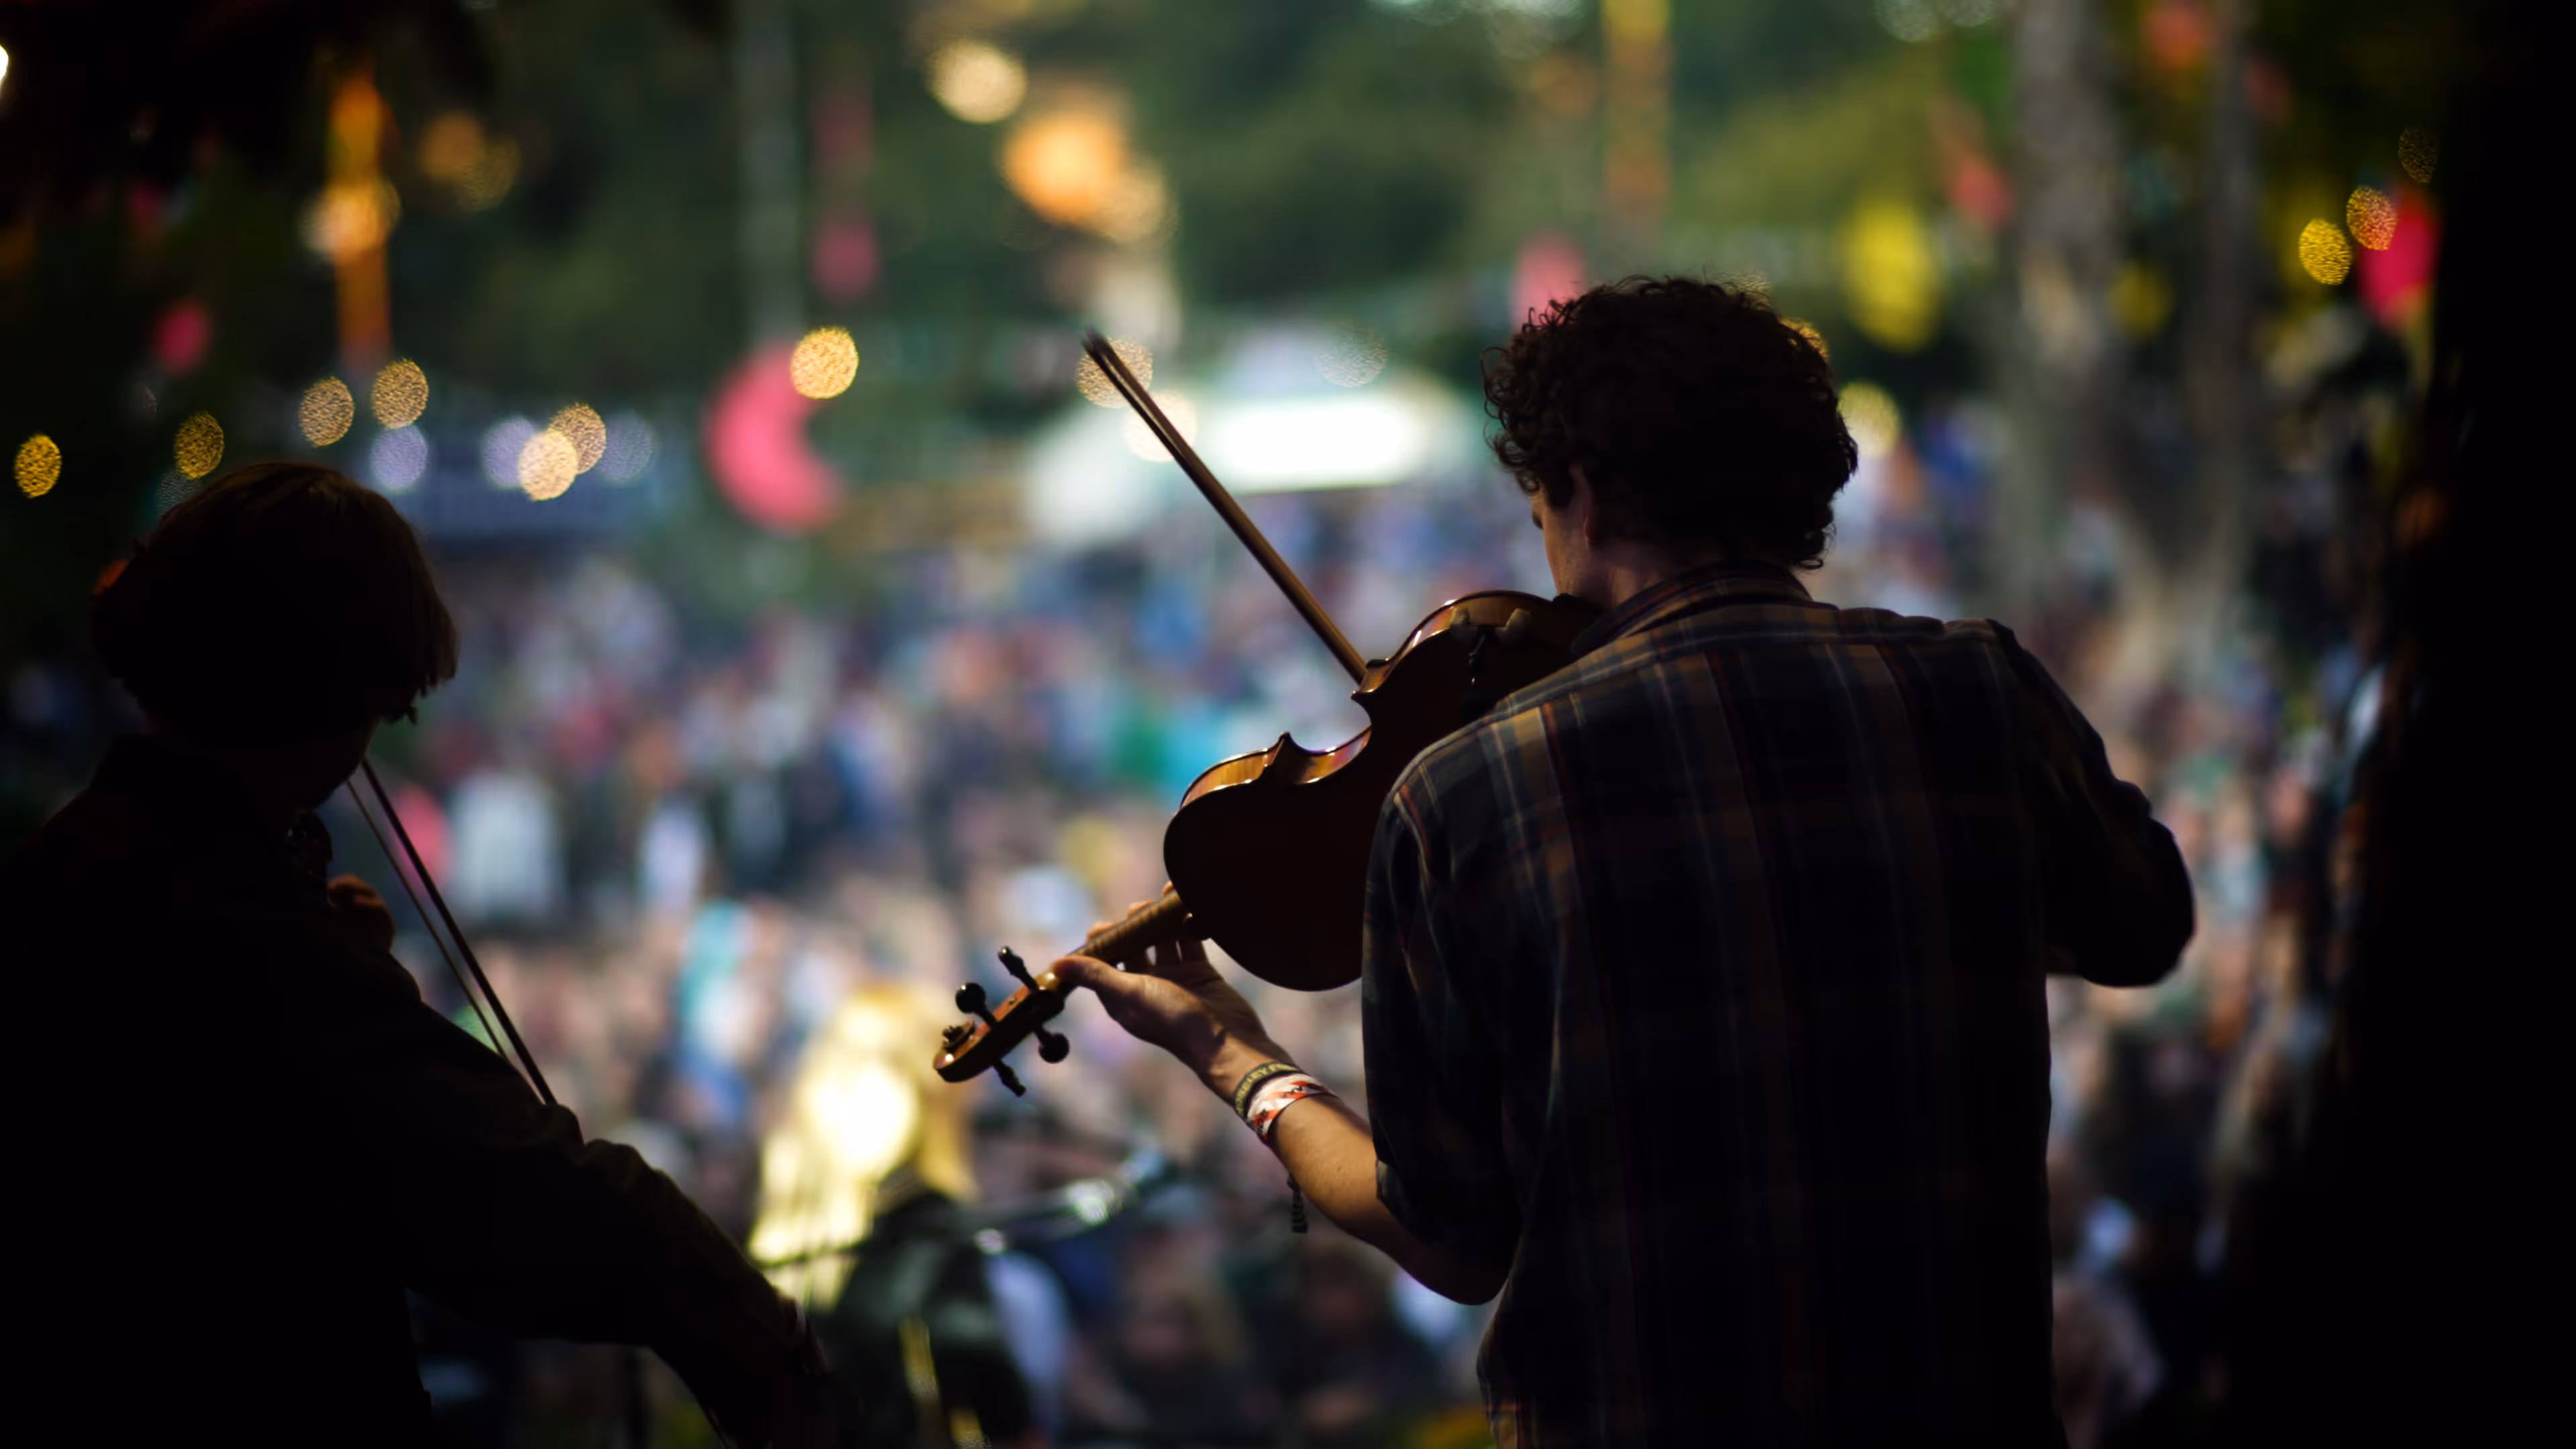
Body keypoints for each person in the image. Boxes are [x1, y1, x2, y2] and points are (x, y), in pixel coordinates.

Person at [1053, 276, 2195, 1446]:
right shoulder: (1975, 691)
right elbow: (2146, 923)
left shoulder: (1467, 792)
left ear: (1583, 495)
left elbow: (1450, 1239)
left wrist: (1233, 1053)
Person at [0, 463, 841, 1446]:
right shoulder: (226, 922)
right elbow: (521, 1204)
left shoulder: (69, 871)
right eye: (374, 695)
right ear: (323, 688)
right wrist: (774, 1360)